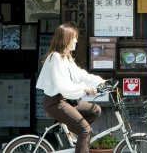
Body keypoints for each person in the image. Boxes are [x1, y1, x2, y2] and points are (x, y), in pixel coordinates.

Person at [36, 23, 105, 153]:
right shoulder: (55, 58)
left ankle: (74, 135)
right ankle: (80, 138)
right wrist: (84, 89)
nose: (76, 40)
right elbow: (64, 86)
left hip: (65, 101)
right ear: (66, 39)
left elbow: (80, 74)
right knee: (85, 130)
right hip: (55, 103)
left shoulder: (66, 58)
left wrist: (100, 81)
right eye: (74, 37)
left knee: (95, 110)